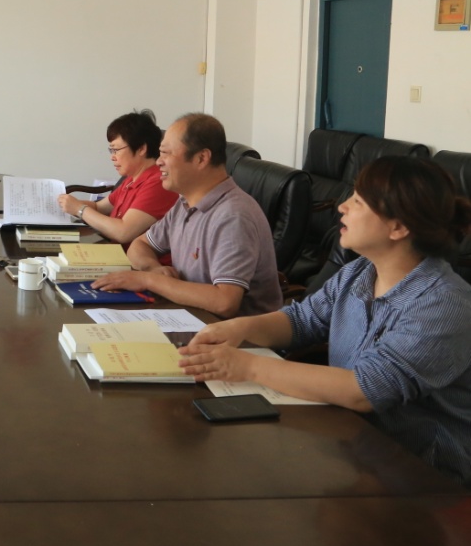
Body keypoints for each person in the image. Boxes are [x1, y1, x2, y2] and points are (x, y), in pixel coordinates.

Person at [179, 156, 471, 485]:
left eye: (358, 201)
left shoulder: (444, 304)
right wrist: (238, 327)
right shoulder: (360, 272)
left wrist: (247, 366)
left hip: (423, 474)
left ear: (398, 227)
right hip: (352, 445)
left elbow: (365, 390)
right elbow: (302, 320)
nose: (342, 206)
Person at [94, 113, 281, 317]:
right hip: (186, 317)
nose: (159, 162)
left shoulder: (233, 215)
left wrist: (150, 280)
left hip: (231, 331)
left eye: (166, 154)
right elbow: (140, 245)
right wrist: (153, 268)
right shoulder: (184, 203)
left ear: (201, 158)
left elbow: (225, 302)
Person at [56, 110, 178, 250]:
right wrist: (62, 205)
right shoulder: (131, 179)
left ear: (141, 149)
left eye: (116, 150)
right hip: (114, 253)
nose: (112, 157)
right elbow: (99, 207)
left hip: (134, 261)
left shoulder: (158, 182)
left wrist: (79, 209)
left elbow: (123, 232)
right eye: (111, 151)